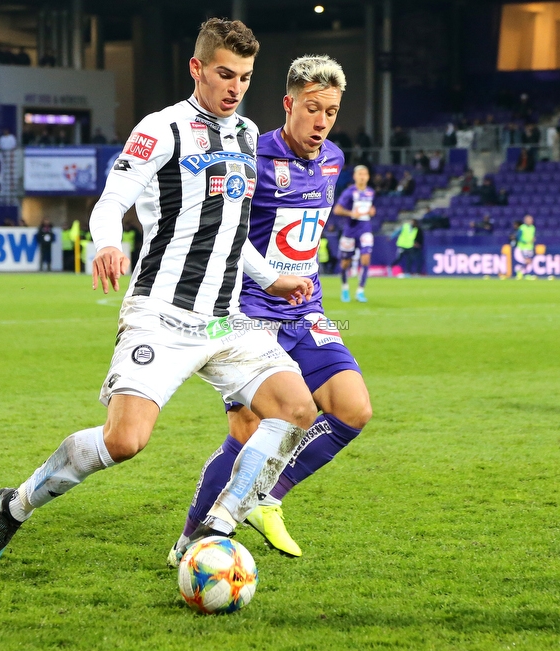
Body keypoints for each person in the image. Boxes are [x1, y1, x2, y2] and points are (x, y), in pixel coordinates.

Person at [0, 17, 320, 583]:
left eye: (246, 77)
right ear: (197, 68)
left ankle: (216, 528)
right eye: (225, 74)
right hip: (162, 312)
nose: (235, 87)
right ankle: (13, 506)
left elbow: (230, 229)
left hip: (225, 321)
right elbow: (110, 203)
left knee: (297, 409)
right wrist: (106, 244)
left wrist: (270, 276)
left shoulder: (250, 135)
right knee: (124, 441)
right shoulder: (163, 128)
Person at [169, 55, 372, 562]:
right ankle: (192, 540)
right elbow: (229, 233)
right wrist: (269, 279)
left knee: (352, 410)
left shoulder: (334, 160)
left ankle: (265, 497)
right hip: (247, 312)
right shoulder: (252, 159)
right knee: (246, 432)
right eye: (312, 108)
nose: (322, 121)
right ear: (288, 104)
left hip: (307, 312)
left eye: (331, 110)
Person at [333, 165, 375, 302]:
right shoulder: (349, 192)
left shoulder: (370, 192)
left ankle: (360, 291)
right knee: (345, 263)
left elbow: (370, 208)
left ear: (368, 177)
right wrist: (351, 213)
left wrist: (372, 211)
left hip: (365, 229)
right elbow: (337, 210)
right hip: (350, 230)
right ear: (355, 176)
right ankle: (345, 288)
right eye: (360, 174)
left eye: (365, 174)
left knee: (366, 259)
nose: (363, 176)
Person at [514, 214, 535, 279]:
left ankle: (521, 273)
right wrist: (525, 242)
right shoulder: (522, 227)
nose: (531, 221)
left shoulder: (533, 228)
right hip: (523, 247)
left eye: (531, 219)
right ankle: (523, 273)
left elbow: (532, 236)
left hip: (530, 247)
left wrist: (533, 239)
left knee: (529, 261)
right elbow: (518, 237)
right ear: (525, 220)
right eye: (529, 219)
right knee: (527, 261)